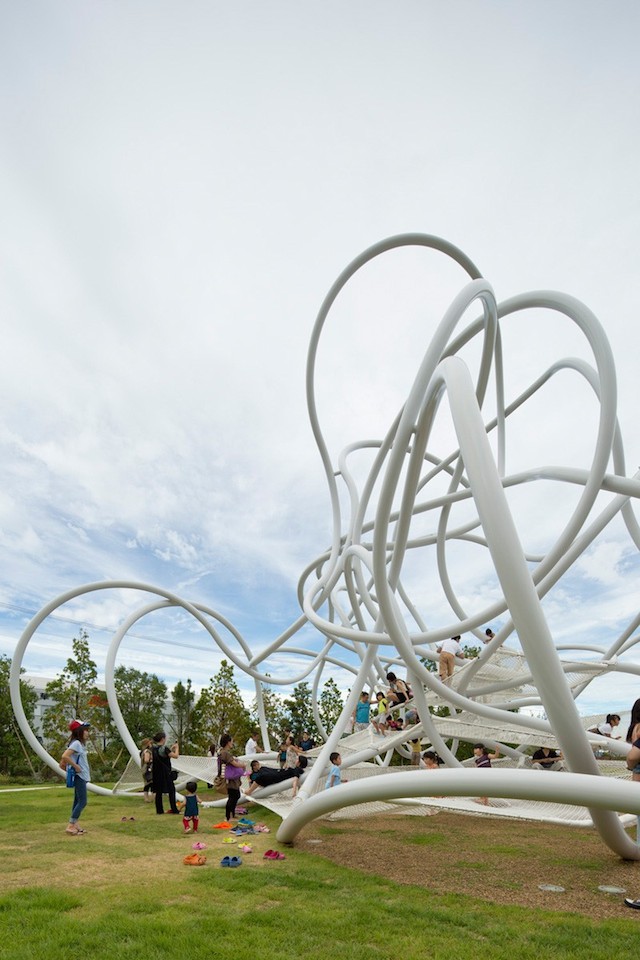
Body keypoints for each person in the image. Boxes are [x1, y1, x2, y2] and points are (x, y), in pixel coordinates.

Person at [61, 719, 91, 836]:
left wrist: (69, 767)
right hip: (80, 776)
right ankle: (71, 825)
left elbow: (62, 761)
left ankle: (75, 823)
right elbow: (65, 756)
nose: (87, 733)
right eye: (85, 730)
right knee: (83, 801)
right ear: (79, 731)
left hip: (80, 776)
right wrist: (76, 767)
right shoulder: (77, 744)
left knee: (77, 800)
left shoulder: (77, 744)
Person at [218, 734, 246, 821]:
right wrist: (243, 765)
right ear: (228, 742)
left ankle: (232, 814)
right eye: (231, 741)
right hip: (230, 779)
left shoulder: (221, 752)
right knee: (233, 796)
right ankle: (228, 816)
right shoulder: (225, 753)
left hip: (231, 778)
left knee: (235, 795)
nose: (232, 743)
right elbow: (234, 763)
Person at [151, 731, 180, 815]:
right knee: (171, 790)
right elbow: (175, 756)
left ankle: (159, 810)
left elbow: (164, 754)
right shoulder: (164, 748)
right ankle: (174, 809)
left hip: (156, 773)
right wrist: (177, 748)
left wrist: (171, 749)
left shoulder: (153, 748)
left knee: (158, 792)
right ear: (163, 739)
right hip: (165, 773)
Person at [140, 738, 154, 802]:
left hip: (145, 769)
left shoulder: (143, 751)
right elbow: (146, 760)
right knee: (149, 783)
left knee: (147, 784)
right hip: (148, 770)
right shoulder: (147, 751)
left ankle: (147, 798)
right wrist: (152, 760)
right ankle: (149, 798)